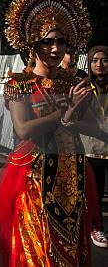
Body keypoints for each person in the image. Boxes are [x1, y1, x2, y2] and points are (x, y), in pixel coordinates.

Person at [0, 0, 108, 266]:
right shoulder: (19, 83)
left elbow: (99, 131)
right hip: (34, 180)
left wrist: (77, 114)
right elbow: (23, 129)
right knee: (39, 251)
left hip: (73, 177)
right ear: (33, 45)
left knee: (70, 252)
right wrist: (62, 114)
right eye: (48, 42)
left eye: (61, 42)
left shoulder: (74, 83)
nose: (56, 48)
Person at [81, 45, 108, 248]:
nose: (99, 64)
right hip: (92, 147)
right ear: (89, 64)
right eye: (95, 60)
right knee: (95, 192)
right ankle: (96, 228)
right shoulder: (82, 87)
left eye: (104, 60)